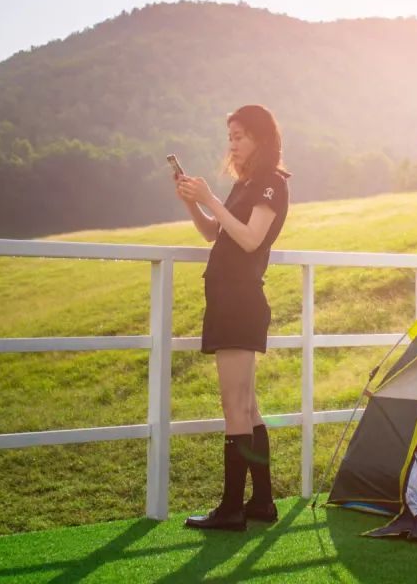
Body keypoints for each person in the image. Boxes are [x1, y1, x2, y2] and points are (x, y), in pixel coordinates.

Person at [174, 104, 291, 530]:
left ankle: (230, 509)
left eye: (239, 136)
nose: (233, 144)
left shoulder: (271, 185)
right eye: (230, 137)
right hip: (228, 300)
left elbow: (249, 239)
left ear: (261, 138)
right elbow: (215, 233)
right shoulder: (246, 185)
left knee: (233, 406)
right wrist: (194, 204)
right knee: (248, 406)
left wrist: (210, 199)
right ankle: (261, 503)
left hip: (240, 302)